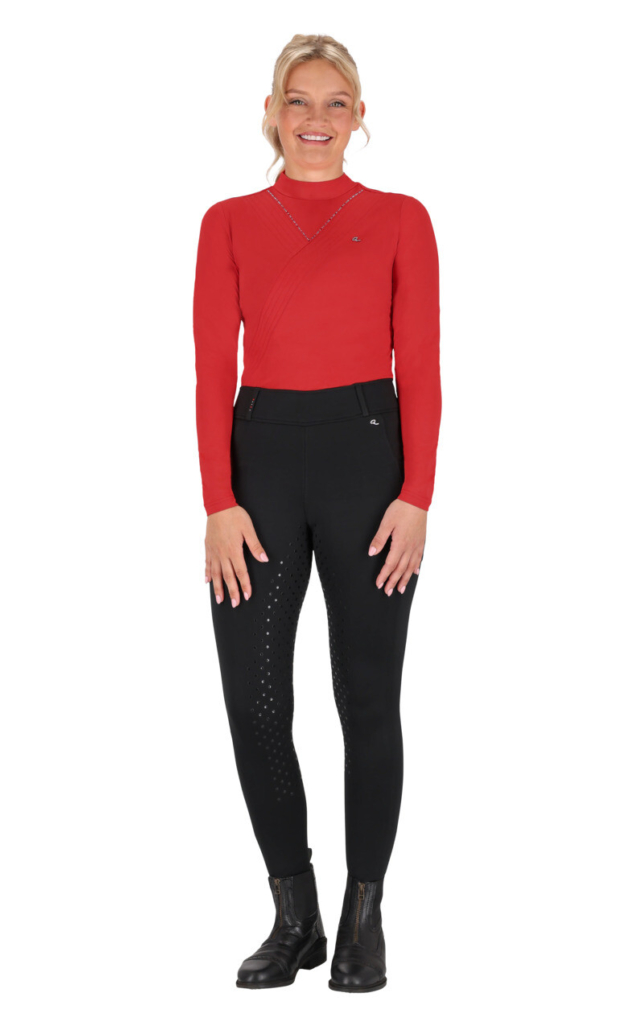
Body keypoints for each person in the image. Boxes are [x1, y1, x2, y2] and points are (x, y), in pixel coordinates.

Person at [192, 34, 441, 993]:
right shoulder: (226, 223)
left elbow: (421, 367)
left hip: (368, 463)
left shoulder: (401, 219)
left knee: (367, 698)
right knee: (253, 700)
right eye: (299, 101)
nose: (316, 120)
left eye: (337, 103)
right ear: (271, 111)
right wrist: (218, 501)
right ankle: (294, 913)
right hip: (259, 464)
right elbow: (211, 372)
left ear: (360, 116)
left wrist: (417, 495)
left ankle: (363, 916)